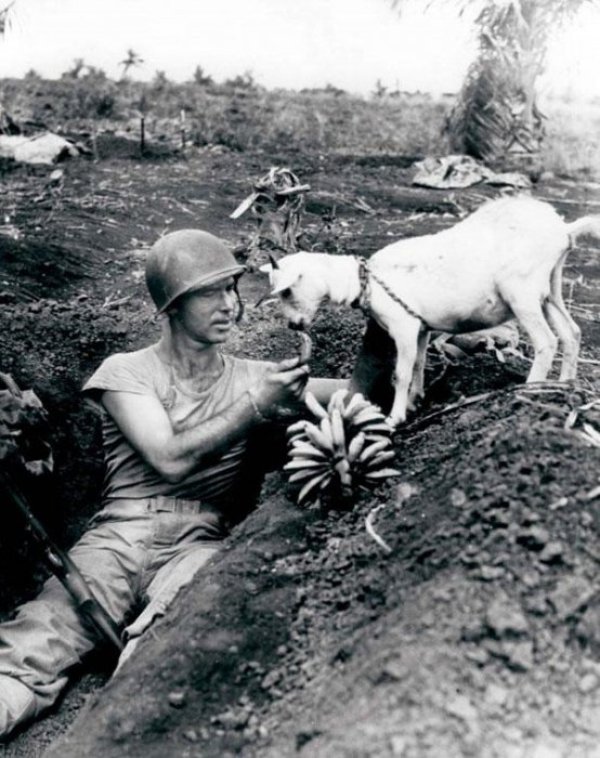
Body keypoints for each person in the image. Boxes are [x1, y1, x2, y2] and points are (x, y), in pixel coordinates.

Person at [0, 229, 347, 739]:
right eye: (211, 292)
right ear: (172, 305)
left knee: (174, 648)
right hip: (117, 539)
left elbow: (362, 395)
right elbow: (169, 458)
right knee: (32, 646)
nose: (229, 304)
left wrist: (392, 326)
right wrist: (256, 405)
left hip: (200, 543)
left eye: (232, 289)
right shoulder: (126, 372)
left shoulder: (258, 376)